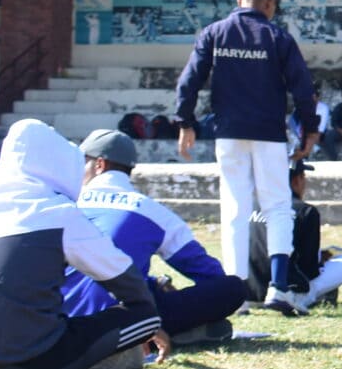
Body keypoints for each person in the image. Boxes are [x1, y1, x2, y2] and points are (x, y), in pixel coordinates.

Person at [0, 120, 172, 369]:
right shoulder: (57, 212)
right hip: (27, 366)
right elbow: (125, 280)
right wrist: (143, 327)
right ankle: (109, 360)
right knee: (146, 315)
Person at [174, 0, 319, 315]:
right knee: (278, 206)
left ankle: (235, 294)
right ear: (270, 4)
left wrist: (185, 122)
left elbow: (189, 80)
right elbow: (302, 88)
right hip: (268, 134)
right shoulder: (278, 38)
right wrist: (310, 130)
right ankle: (279, 288)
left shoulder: (213, 33)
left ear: (239, 0)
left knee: (235, 208)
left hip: (227, 133)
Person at [64, 129, 248, 342]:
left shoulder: (63, 204)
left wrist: (153, 283)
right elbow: (210, 274)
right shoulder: (152, 211)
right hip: (127, 318)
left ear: (99, 165)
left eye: (82, 163)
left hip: (62, 317)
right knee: (233, 288)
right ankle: (169, 333)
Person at [249, 160, 342, 308]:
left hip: (250, 290)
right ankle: (301, 298)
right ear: (297, 179)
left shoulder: (253, 205)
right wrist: (320, 260)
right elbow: (309, 268)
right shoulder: (306, 211)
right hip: (285, 289)